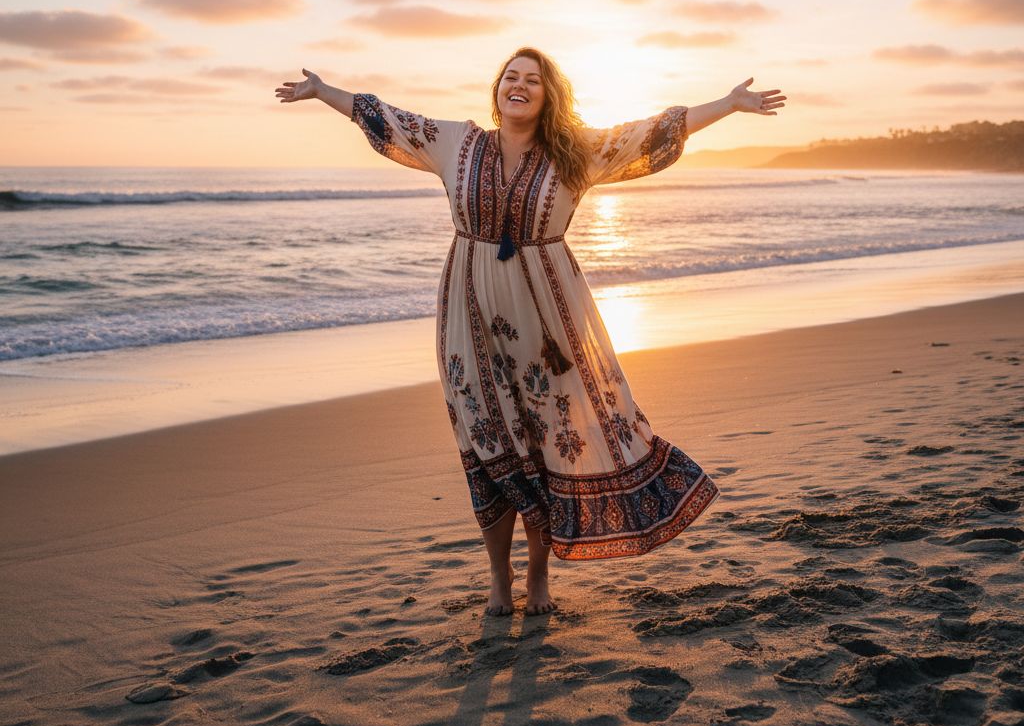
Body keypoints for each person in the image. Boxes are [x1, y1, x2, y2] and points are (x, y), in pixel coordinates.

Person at [276, 46, 786, 617]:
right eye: (510, 78)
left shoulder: (576, 154)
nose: (518, 86)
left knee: (545, 447)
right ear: (497, 89)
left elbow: (651, 132)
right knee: (485, 441)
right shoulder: (457, 143)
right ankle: (499, 577)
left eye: (532, 81)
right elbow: (384, 115)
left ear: (549, 96)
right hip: (468, 318)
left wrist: (729, 104)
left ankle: (539, 577)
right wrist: (323, 92)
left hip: (549, 323)